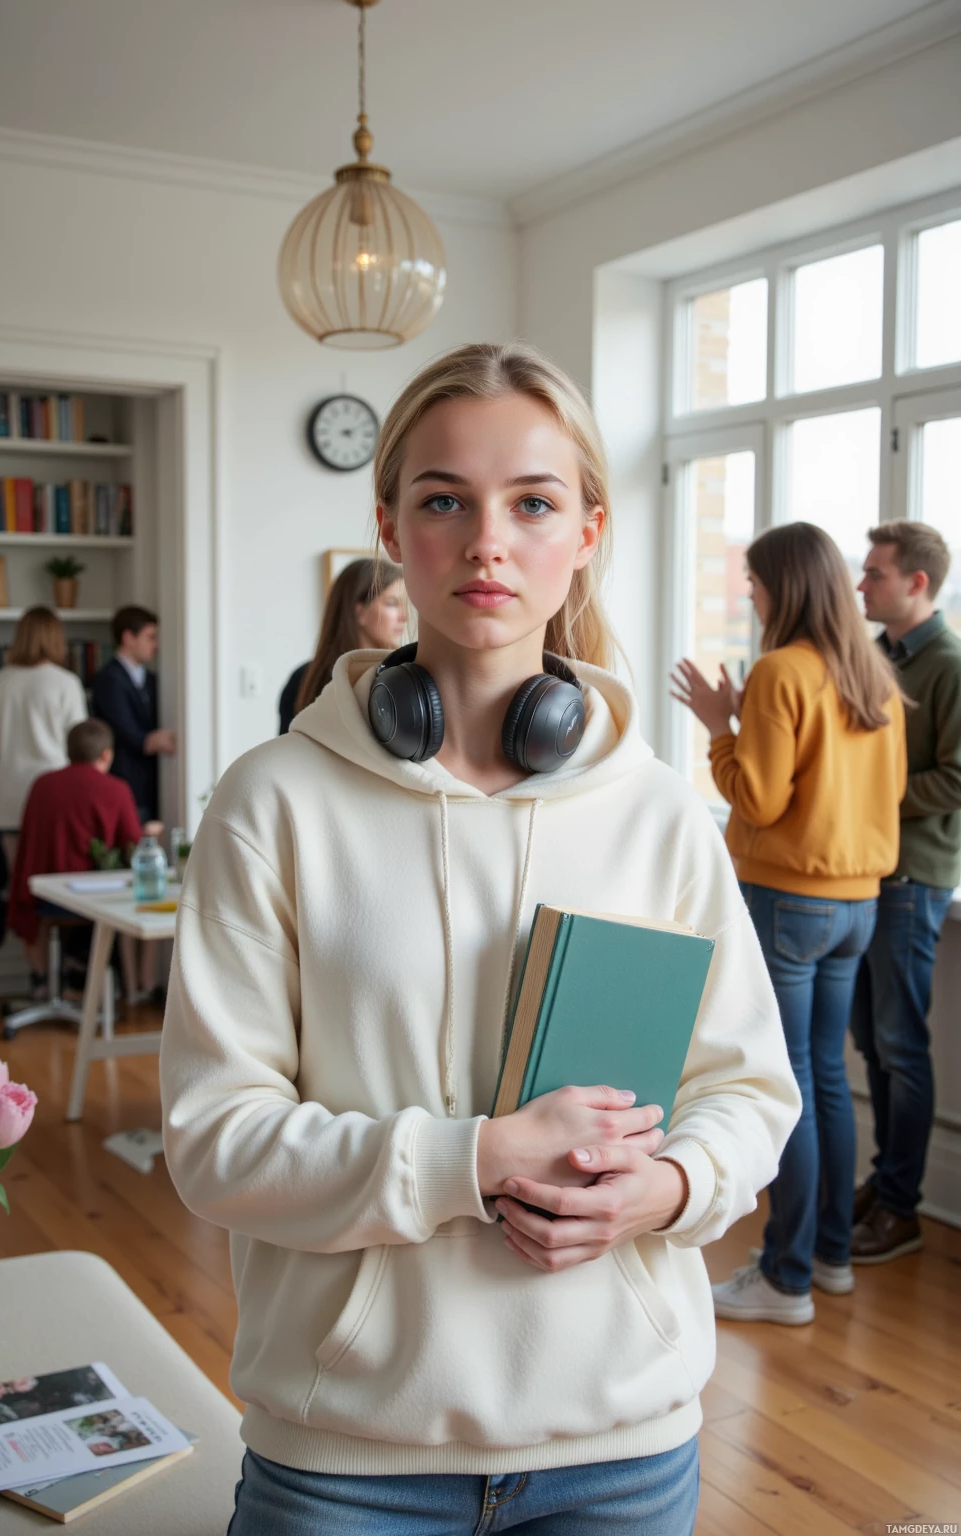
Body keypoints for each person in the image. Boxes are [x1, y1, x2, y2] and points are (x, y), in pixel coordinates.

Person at [161, 343, 799, 1534]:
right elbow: (214, 1140)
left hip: (622, 1452)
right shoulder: (274, 801)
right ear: (390, 528)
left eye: (533, 503)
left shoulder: (659, 811)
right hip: (346, 1460)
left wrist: (666, 1188)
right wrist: (476, 1160)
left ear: (589, 531)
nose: (487, 543)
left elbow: (748, 1091)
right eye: (445, 500)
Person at [672, 521, 906, 1326]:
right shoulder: (871, 675)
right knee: (827, 1079)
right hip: (859, 904)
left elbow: (759, 799)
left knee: (789, 1084)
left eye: (755, 582)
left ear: (784, 586)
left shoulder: (781, 671)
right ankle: (830, 1259)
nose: (750, 594)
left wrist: (720, 728)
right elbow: (877, 791)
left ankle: (785, 1277)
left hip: (789, 901)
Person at [851, 521, 961, 1263]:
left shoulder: (948, 665)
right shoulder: (876, 657)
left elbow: (956, 778)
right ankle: (886, 1182)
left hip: (913, 878)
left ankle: (901, 1207)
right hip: (866, 871)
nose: (861, 584)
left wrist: (867, 795)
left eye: (875, 573)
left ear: (917, 583)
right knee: (872, 1041)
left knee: (899, 1045)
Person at [8, 719, 145, 984]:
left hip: (41, 895)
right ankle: (125, 989)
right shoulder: (116, 789)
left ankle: (43, 982)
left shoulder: (42, 784)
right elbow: (133, 846)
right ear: (106, 755)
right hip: (92, 900)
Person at [0, 607, 88, 875]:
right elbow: (80, 744)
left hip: (9, 795)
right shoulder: (66, 682)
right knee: (55, 882)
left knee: (18, 883)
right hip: (55, 795)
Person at [278, 558, 408, 734]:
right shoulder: (304, 679)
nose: (404, 617)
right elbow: (288, 747)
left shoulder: (405, 677)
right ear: (360, 611)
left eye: (404, 605)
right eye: (392, 603)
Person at [91, 606, 175, 822]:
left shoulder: (152, 679)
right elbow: (123, 729)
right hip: (125, 779)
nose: (156, 645)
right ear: (128, 637)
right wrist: (150, 741)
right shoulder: (108, 678)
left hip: (152, 784)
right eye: (150, 637)